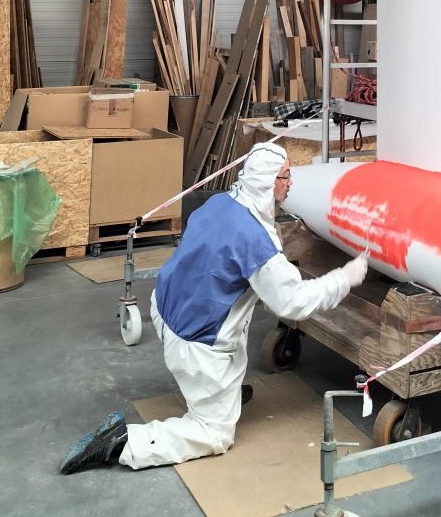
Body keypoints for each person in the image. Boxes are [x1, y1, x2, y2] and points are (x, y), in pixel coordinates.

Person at [60, 143, 368, 474]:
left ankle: (223, 395)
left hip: (166, 309)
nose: (291, 182)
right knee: (214, 434)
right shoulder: (254, 242)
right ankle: (123, 442)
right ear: (267, 183)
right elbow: (292, 302)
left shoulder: (220, 203)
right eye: (285, 175)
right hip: (196, 345)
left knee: (237, 320)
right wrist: (344, 278)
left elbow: (239, 243)